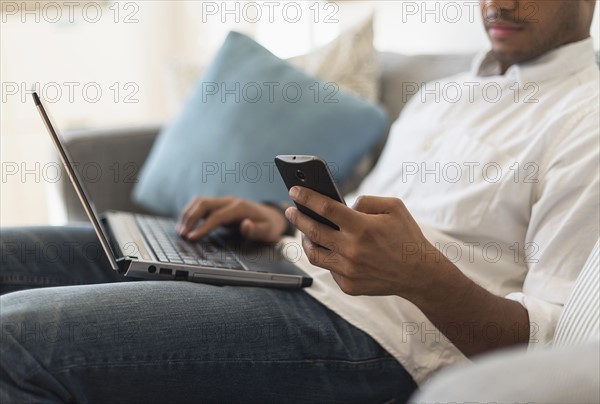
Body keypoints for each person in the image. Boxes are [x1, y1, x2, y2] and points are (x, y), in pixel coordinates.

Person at [1, 0, 598, 402]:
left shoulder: (587, 117)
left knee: (13, 340)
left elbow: (555, 348)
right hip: (292, 272)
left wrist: (423, 277)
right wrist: (279, 226)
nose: (501, 1)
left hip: (375, 335)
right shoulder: (442, 93)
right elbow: (368, 217)